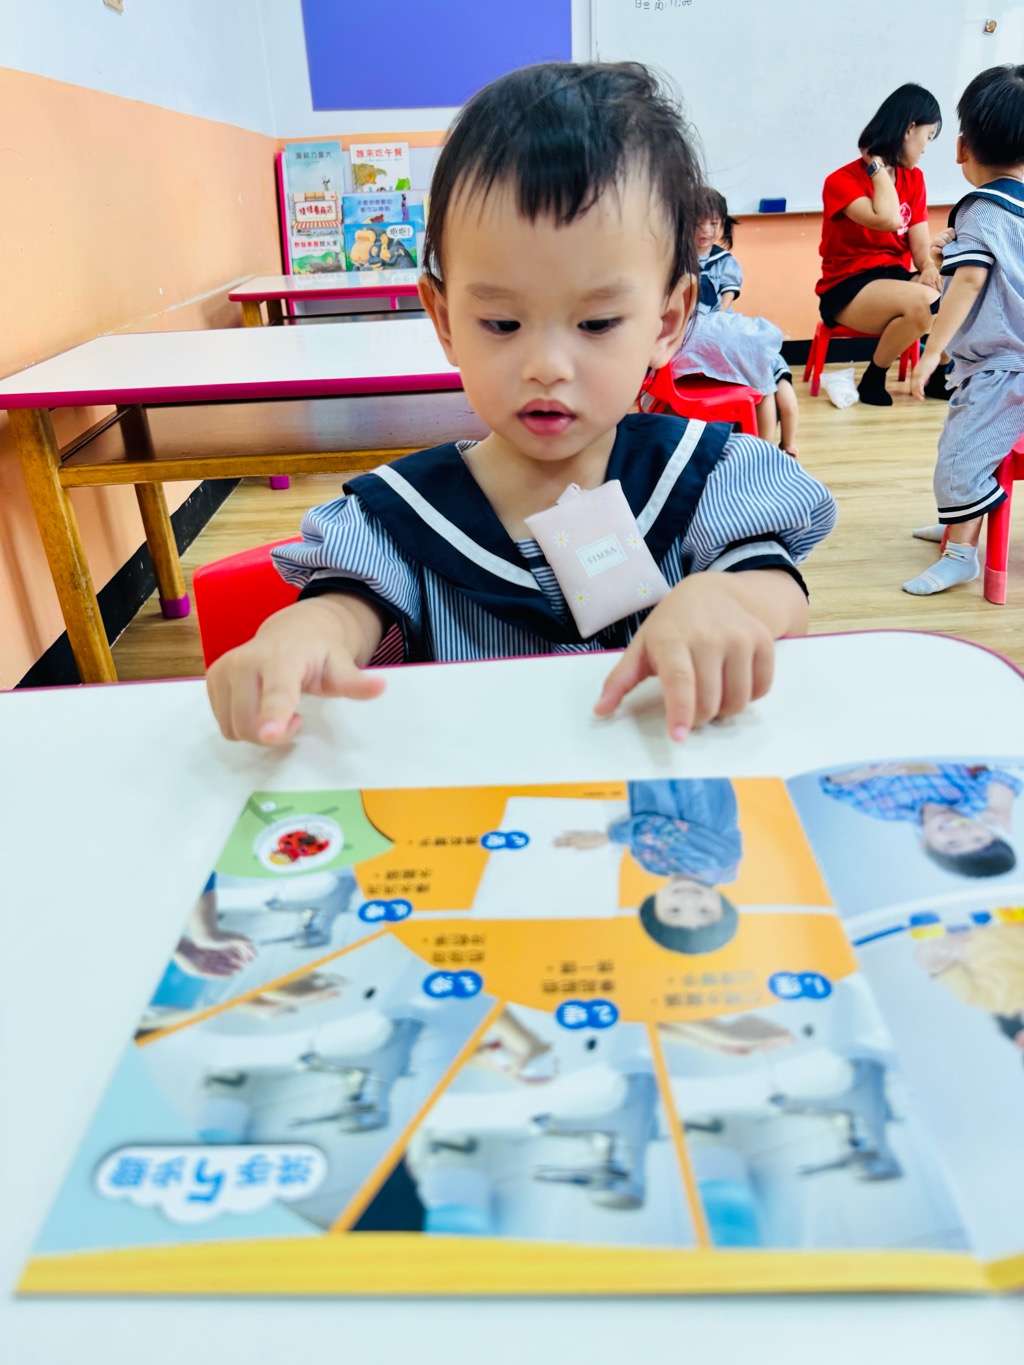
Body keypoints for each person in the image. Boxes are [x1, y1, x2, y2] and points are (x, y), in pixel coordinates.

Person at [206, 63, 836, 748]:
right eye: (502, 323)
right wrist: (304, 633)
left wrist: (729, 600)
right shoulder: (404, 515)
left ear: (667, 320)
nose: (546, 366)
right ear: (444, 318)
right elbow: (344, 607)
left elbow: (777, 590)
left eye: (596, 323)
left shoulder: (702, 478)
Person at [902, 65, 1024, 596]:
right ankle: (959, 522)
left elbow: (970, 281)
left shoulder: (978, 209)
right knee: (967, 445)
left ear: (961, 147)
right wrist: (942, 256)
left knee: (960, 458)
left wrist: (932, 352)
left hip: (1002, 370)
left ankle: (962, 555)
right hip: (1005, 367)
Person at [816, 84, 945, 407]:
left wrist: (929, 268)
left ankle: (939, 375)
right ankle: (874, 377)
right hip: (847, 286)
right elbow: (888, 218)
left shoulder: (914, 179)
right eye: (927, 136)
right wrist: (876, 165)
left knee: (949, 294)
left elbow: (919, 246)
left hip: (893, 279)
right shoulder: (840, 182)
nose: (925, 148)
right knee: (927, 302)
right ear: (909, 129)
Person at [672, 189, 800, 454]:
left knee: (769, 376)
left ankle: (772, 449)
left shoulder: (724, 261)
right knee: (764, 375)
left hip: (718, 324)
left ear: (723, 224)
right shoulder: (676, 258)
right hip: (691, 330)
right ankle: (769, 446)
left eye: (713, 223)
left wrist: (716, 320)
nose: (706, 230)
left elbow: (725, 302)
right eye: (698, 223)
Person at [555, 778, 741, 953]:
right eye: (705, 911)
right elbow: (660, 829)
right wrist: (608, 838)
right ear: (722, 905)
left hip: (650, 776)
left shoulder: (654, 866)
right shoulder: (719, 861)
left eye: (674, 910)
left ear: (654, 906)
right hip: (687, 774)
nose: (688, 901)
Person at [819, 761, 1019, 878]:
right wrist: (999, 805)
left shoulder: (886, 810)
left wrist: (857, 773)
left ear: (925, 844)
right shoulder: (981, 798)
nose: (961, 833)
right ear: (991, 832)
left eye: (952, 843)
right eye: (978, 838)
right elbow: (1004, 771)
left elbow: (836, 787)